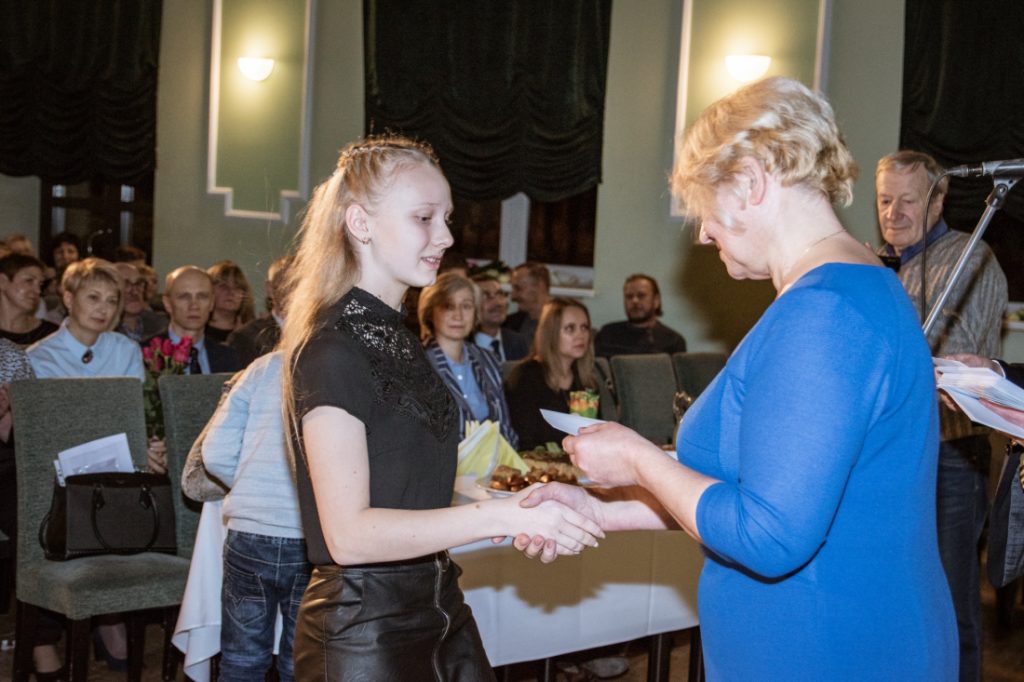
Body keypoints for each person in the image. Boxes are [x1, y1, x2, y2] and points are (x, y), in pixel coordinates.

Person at [516, 77, 958, 680]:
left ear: (751, 180)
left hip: (827, 650)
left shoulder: (824, 311)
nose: (702, 232)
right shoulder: (854, 288)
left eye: (704, 206)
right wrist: (598, 508)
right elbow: (754, 491)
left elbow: (769, 535)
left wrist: (640, 460)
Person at [279, 135, 602, 681]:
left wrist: (521, 510)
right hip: (363, 630)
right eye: (424, 217)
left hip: (441, 604)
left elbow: (412, 491)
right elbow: (348, 536)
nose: (446, 236)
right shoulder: (333, 349)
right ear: (360, 223)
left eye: (446, 218)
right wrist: (503, 515)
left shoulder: (399, 341)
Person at [876, 150, 1006, 681]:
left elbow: (955, 354)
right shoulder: (875, 264)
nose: (894, 213)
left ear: (938, 201)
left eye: (908, 200)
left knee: (949, 605)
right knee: (889, 597)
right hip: (885, 456)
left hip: (951, 457)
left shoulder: (973, 258)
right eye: (885, 200)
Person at [198, 351, 310, 682]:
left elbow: (214, 452)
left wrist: (249, 484)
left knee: (241, 657)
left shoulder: (263, 367)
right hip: (310, 536)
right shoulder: (344, 362)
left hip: (248, 532)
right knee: (300, 659)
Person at [418, 272, 518, 447]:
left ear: (476, 312)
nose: (458, 315)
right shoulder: (418, 364)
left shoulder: (489, 360)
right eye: (448, 306)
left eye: (466, 306)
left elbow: (505, 428)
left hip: (497, 461)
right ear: (430, 312)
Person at [503, 297, 599, 450]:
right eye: (570, 328)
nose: (580, 335)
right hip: (536, 461)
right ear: (551, 333)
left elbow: (598, 436)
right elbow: (523, 440)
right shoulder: (526, 377)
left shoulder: (587, 381)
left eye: (584, 328)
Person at [27, 258, 144, 381]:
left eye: (111, 301)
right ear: (69, 299)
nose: (103, 309)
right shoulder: (39, 358)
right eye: (93, 298)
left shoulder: (126, 350)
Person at [144, 266, 241, 375]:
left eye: (202, 296)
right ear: (167, 304)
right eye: (184, 297)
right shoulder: (144, 354)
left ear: (212, 303)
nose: (194, 306)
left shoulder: (228, 357)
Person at [594, 274, 687, 358]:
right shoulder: (608, 334)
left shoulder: (673, 341)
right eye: (629, 296)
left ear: (656, 301)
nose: (635, 301)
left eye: (641, 295)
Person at [226, 255, 291, 366]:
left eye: (300, 283)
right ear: (270, 289)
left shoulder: (318, 333)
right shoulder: (247, 337)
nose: (294, 290)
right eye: (286, 283)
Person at [0, 253, 59, 346]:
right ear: (2, 282)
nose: (37, 290)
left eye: (40, 284)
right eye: (29, 281)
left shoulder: (51, 335)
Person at [471, 273, 529, 362]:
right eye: (486, 296)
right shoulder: (461, 346)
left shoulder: (518, 342)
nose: (498, 303)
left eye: (500, 294)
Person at [114, 262, 167, 342]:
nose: (135, 292)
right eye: (126, 284)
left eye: (138, 283)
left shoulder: (162, 325)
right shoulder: (102, 331)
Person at [206, 260, 256, 345]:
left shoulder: (254, 333)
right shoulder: (195, 332)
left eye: (237, 287)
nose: (231, 292)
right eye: (223, 286)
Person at [505, 261, 550, 342]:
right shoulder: (508, 324)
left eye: (518, 288)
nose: (513, 297)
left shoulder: (564, 324)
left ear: (541, 287)